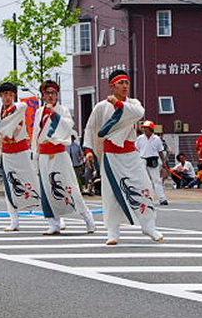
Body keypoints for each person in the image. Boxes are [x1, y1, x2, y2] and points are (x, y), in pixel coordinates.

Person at [83, 69, 164, 245]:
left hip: (131, 154)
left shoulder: (133, 103)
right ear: (112, 86)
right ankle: (113, 232)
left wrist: (119, 104)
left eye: (127, 83)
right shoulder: (101, 107)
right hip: (111, 156)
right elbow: (90, 128)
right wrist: (89, 150)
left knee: (144, 187)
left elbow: (138, 113)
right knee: (111, 194)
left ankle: (149, 225)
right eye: (121, 83)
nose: (125, 86)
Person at [33, 80, 96, 235]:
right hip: (44, 155)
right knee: (48, 189)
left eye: (53, 93)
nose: (50, 96)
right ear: (43, 95)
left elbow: (68, 126)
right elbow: (35, 134)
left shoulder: (63, 110)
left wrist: (54, 115)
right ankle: (53, 223)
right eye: (47, 93)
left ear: (57, 95)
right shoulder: (39, 112)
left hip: (59, 154)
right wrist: (35, 154)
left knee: (70, 187)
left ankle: (87, 216)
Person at [0, 81, 40, 231]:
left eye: (10, 94)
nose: (7, 97)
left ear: (14, 95)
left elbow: (10, 119)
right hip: (7, 153)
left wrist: (3, 121)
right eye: (4, 94)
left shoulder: (20, 107)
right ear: (0, 96)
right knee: (9, 186)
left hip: (22, 151)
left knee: (34, 183)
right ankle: (14, 220)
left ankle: (53, 215)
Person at [135, 120, 169, 206]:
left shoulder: (156, 139)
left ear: (151, 129)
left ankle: (162, 199)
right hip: (142, 159)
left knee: (156, 180)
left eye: (146, 128)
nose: (144, 130)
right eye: (144, 128)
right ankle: (145, 198)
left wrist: (164, 162)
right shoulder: (140, 138)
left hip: (153, 159)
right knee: (143, 180)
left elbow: (160, 151)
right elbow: (136, 150)